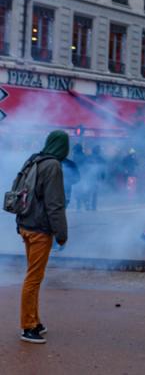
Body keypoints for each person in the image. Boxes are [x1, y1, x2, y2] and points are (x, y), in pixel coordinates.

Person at [16, 130, 69, 344]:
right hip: (39, 229)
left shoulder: (34, 160)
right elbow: (55, 204)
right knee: (34, 278)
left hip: (26, 225)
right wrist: (62, 234)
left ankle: (35, 320)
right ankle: (28, 327)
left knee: (33, 276)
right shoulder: (53, 165)